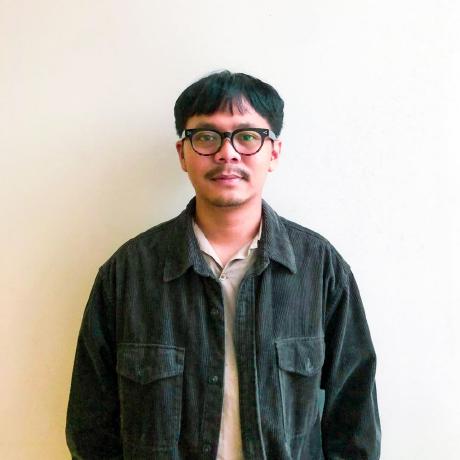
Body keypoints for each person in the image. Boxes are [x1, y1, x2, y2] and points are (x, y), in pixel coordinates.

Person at [66, 70, 381, 459]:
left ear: (273, 153)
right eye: (206, 137)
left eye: (247, 136)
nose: (227, 153)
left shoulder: (320, 269)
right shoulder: (128, 274)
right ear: (183, 154)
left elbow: (354, 419)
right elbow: (90, 426)